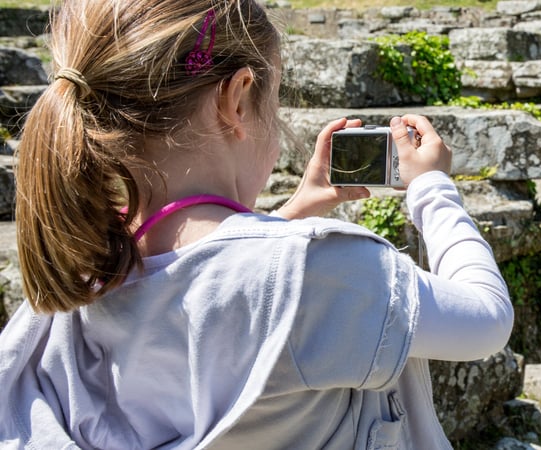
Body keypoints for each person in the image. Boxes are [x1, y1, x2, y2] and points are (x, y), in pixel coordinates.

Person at [0, 1, 513, 448]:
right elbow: (487, 321)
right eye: (275, 98)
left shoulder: (85, 273)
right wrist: (432, 190)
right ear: (237, 98)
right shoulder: (325, 272)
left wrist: (290, 214)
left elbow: (211, 275)